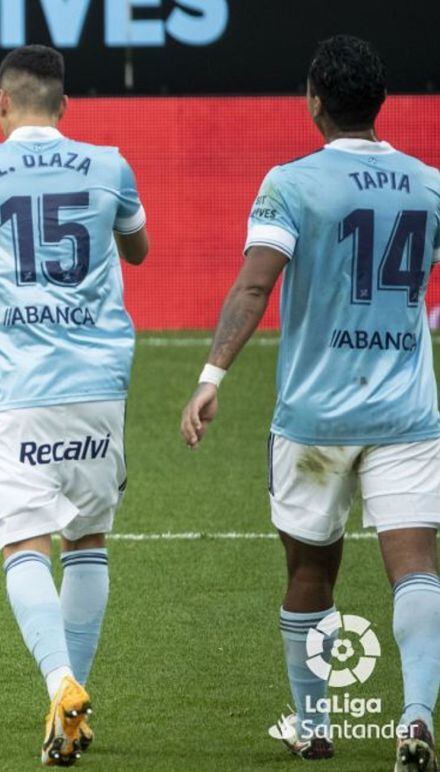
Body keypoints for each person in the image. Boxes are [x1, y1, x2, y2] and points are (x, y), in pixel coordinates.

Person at [180, 34, 440, 770]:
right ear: (380, 104)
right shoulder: (429, 184)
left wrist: (212, 375)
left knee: (309, 574)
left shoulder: (291, 183)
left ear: (315, 103)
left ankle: (315, 724)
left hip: (315, 418)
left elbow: (255, 285)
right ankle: (416, 717)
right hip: (408, 414)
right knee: (416, 567)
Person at [0, 44, 149, 766]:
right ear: (65, 108)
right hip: (100, 386)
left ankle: (60, 682)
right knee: (88, 542)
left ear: (0, 104)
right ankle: (69, 715)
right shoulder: (110, 164)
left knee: (25, 545)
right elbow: (137, 250)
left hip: (17, 390)